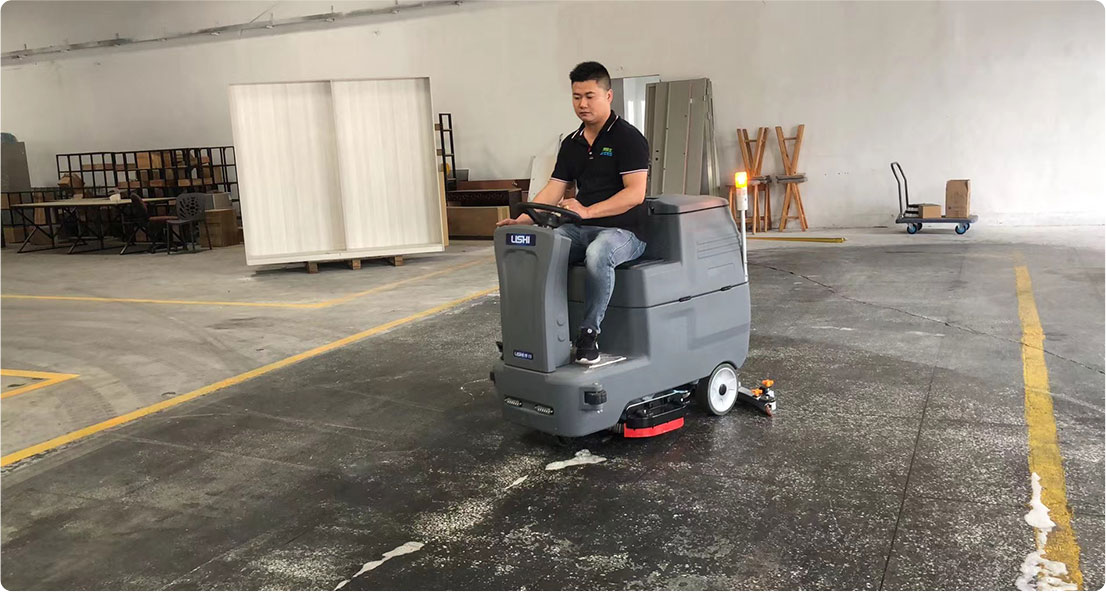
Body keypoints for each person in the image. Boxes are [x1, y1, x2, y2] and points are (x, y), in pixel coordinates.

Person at [497, 61, 649, 365]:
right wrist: (523, 220)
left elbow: (635, 194)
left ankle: (589, 333)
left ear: (608, 96)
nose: (582, 104)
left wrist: (588, 211)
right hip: (581, 227)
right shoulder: (572, 143)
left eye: (590, 96)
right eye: (577, 97)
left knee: (598, 253)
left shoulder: (628, 138)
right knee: (541, 249)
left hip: (625, 231)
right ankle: (533, 331)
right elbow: (554, 188)